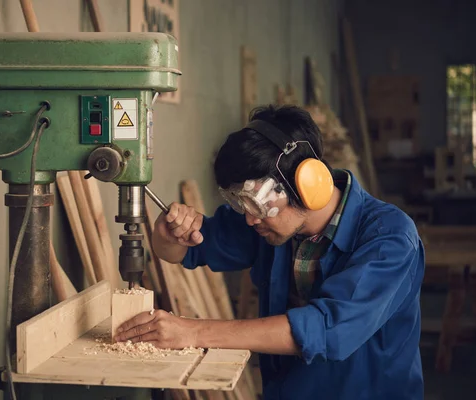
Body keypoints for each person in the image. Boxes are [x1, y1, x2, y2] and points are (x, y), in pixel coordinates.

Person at [116, 105, 425, 400]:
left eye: (258, 206)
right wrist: (167, 232)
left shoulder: (390, 238)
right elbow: (183, 251)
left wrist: (194, 332)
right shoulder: (268, 223)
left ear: (308, 183)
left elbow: (327, 329)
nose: (250, 218)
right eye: (242, 204)